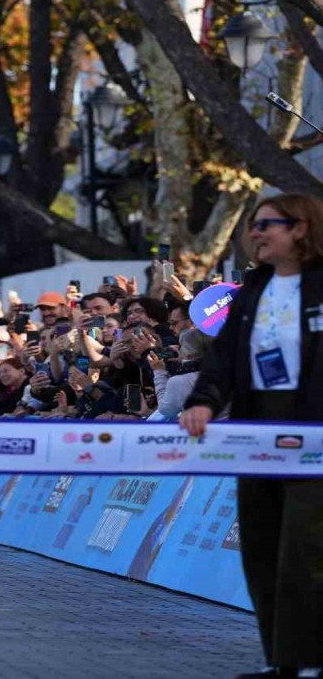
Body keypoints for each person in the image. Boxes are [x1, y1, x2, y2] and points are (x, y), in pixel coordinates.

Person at [180, 193, 323, 679]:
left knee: (304, 549)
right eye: (254, 225)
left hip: (315, 433)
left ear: (301, 229)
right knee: (262, 545)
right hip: (257, 429)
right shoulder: (255, 289)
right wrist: (202, 401)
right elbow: (224, 358)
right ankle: (284, 661)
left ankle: (313, 660)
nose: (256, 233)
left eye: (268, 225)